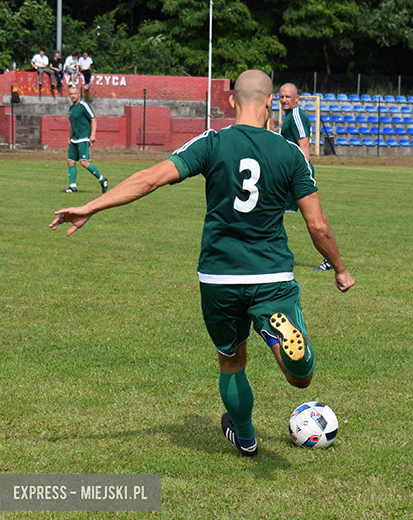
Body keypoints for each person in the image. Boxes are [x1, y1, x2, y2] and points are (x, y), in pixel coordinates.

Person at [49, 70, 355, 458]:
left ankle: (245, 438)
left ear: (230, 101)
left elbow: (150, 179)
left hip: (219, 275)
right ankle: (281, 337)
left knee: (231, 360)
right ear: (269, 104)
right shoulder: (290, 153)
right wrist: (340, 269)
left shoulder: (213, 142)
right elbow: (317, 224)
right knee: (302, 377)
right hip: (271, 273)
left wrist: (90, 206)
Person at [279, 82, 332, 271]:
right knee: (273, 211)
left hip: (297, 175)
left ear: (297, 98)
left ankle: (330, 260)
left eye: (288, 97)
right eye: (281, 96)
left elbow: (304, 146)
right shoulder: (289, 116)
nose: (284, 100)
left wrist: (302, 174)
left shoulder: (296, 116)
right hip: (289, 174)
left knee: (315, 220)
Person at [62, 86, 108, 193]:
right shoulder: (71, 108)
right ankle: (73, 187)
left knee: (84, 162)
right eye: (71, 94)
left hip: (83, 137)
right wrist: (69, 138)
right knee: (70, 161)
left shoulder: (83, 105)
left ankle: (102, 179)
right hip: (74, 139)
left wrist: (93, 134)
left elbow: (93, 119)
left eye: (74, 94)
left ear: (78, 94)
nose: (73, 96)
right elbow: (71, 124)